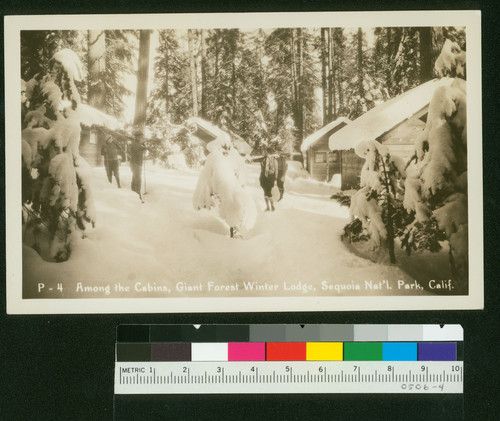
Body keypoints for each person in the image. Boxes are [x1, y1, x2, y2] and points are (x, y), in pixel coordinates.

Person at [130, 131, 148, 202]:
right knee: (137, 179)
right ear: (136, 137)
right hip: (135, 164)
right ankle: (138, 195)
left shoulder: (138, 144)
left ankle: (134, 193)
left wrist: (143, 146)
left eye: (142, 137)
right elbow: (140, 148)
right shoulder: (134, 144)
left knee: (135, 178)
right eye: (140, 137)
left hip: (137, 164)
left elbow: (141, 149)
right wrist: (145, 147)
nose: (141, 138)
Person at [259, 146, 278, 211]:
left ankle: (272, 206)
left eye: (266, 152)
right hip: (263, 177)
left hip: (270, 177)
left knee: (269, 191)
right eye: (265, 152)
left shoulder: (274, 160)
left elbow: (276, 170)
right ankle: (267, 207)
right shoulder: (263, 159)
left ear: (269, 152)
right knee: (265, 192)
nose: (265, 153)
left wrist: (275, 178)